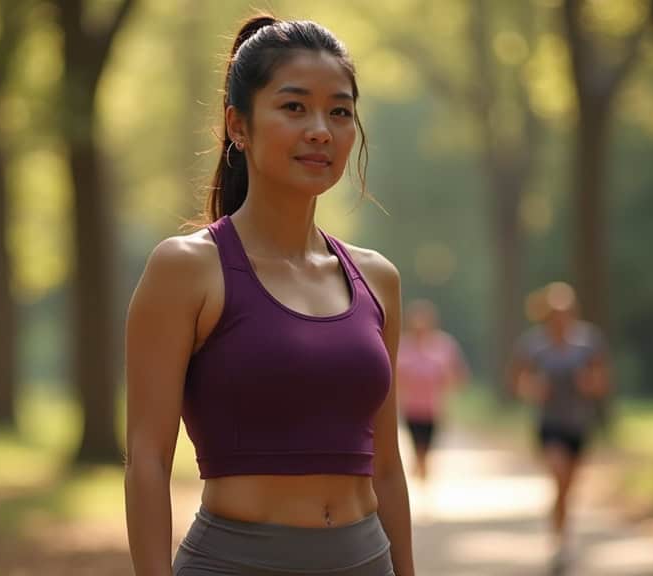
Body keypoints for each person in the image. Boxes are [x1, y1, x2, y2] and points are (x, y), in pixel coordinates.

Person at [123, 14, 415, 576]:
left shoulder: (378, 279)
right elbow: (148, 459)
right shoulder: (186, 269)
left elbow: (386, 467)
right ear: (238, 125)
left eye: (340, 111)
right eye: (294, 106)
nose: (320, 130)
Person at [511, 282, 610, 572]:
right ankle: (560, 542)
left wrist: (589, 384)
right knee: (559, 474)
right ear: (546, 315)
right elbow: (518, 382)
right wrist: (533, 388)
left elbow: (603, 382)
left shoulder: (589, 341)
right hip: (549, 424)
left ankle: (561, 532)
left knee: (567, 488)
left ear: (573, 312)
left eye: (565, 312)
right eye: (555, 313)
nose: (560, 318)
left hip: (579, 424)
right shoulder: (534, 344)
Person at [396, 299, 468, 482]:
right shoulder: (402, 346)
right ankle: (421, 474)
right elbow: (394, 377)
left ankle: (422, 473)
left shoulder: (444, 345)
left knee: (426, 449)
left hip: (434, 408)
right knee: (417, 448)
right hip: (411, 408)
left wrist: (448, 382)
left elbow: (459, 374)